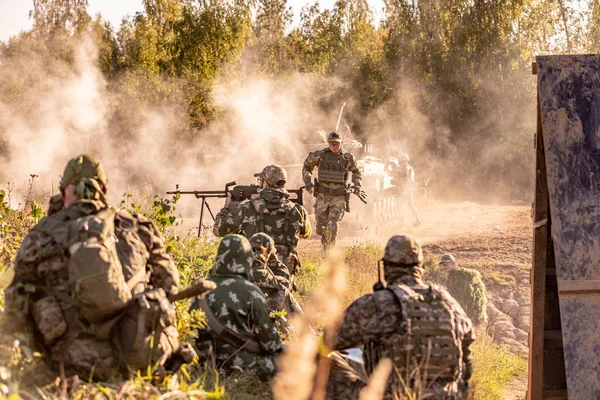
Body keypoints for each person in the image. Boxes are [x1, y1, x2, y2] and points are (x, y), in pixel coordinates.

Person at [4, 154, 190, 383]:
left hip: (70, 364)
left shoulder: (41, 235)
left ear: (64, 193)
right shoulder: (138, 227)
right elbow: (170, 286)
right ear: (104, 189)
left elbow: (15, 305)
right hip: (138, 358)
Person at [326, 234, 475, 399]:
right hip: (447, 397)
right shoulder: (450, 304)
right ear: (421, 267)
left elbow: (328, 340)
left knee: (322, 362)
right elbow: (467, 365)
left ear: (386, 267)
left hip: (395, 396)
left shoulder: (377, 303)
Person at [191, 234, 282, 380]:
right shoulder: (251, 292)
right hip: (240, 367)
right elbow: (271, 344)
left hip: (203, 365)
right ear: (247, 259)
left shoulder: (198, 288)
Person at [213, 165, 311, 275]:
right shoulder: (298, 210)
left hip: (253, 276)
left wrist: (226, 207)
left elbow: (219, 230)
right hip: (285, 276)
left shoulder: (246, 208)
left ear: (265, 183)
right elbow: (306, 234)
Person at [302, 131, 362, 249]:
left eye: (337, 144)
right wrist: (308, 184)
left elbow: (356, 172)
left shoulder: (347, 158)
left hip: (339, 197)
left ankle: (329, 252)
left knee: (332, 224)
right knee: (321, 228)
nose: (335, 146)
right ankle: (326, 243)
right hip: (322, 196)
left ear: (341, 143)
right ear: (328, 143)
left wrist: (356, 185)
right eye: (332, 144)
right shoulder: (320, 155)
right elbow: (307, 167)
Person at [248, 232, 303, 320]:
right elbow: (282, 286)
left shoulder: (237, 262)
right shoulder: (252, 267)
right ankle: (304, 327)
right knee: (283, 293)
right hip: (247, 311)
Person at [439, 254, 488, 323]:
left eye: (446, 264)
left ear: (454, 264)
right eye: (442, 265)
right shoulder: (452, 275)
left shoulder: (459, 276)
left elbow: (460, 297)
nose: (444, 267)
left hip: (467, 313)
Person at [388, 153, 421, 226]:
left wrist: (392, 167)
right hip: (408, 189)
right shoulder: (410, 168)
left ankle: (402, 223)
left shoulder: (398, 168)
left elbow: (390, 174)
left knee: (400, 206)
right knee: (410, 205)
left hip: (402, 190)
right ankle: (417, 220)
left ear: (400, 160)